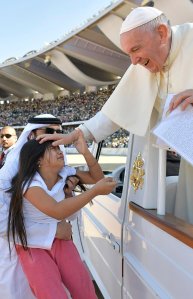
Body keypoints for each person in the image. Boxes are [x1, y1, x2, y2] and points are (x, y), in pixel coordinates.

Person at [38, 7, 193, 224]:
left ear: (161, 33)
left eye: (136, 49)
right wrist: (79, 133)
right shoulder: (141, 63)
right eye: (128, 53)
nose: (133, 62)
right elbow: (115, 112)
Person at [7, 130, 116, 299]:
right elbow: (58, 210)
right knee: (52, 294)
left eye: (59, 148)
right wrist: (94, 192)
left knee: (84, 288)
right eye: (52, 149)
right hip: (33, 245)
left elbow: (97, 177)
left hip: (60, 239)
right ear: (38, 160)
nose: (60, 151)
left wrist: (85, 152)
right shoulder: (29, 185)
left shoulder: (64, 172)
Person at [0, 114, 78, 299]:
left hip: (57, 252)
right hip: (17, 254)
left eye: (59, 133)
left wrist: (68, 195)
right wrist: (52, 231)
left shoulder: (56, 164)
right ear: (31, 135)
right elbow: (2, 223)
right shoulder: (9, 172)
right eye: (49, 131)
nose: (55, 137)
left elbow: (68, 215)